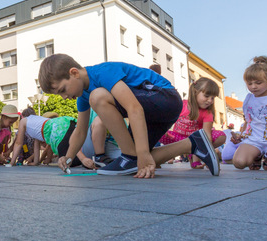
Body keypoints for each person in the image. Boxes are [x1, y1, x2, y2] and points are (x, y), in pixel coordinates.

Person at [38, 54, 219, 178]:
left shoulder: (102, 72)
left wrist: (141, 153)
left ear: (74, 73)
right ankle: (193, 143)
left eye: (62, 90)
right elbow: (80, 131)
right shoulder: (82, 97)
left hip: (165, 97)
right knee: (139, 160)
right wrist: (68, 158)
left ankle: (131, 156)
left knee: (98, 96)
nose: (64, 97)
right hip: (152, 110)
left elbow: (134, 108)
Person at [158, 77, 227, 168]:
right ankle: (157, 157)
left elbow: (207, 134)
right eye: (207, 96)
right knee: (157, 132)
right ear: (195, 92)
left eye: (213, 98)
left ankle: (195, 157)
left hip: (195, 141)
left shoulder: (207, 113)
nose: (210, 101)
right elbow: (167, 118)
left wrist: (209, 156)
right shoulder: (181, 104)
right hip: (177, 139)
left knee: (221, 136)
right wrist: (164, 129)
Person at [8, 110, 95, 169]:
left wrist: (12, 163)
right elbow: (37, 146)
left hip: (58, 129)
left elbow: (18, 143)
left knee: (68, 160)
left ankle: (84, 159)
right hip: (65, 121)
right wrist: (36, 162)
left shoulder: (23, 121)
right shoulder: (37, 122)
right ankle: (92, 157)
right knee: (76, 141)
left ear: (22, 117)